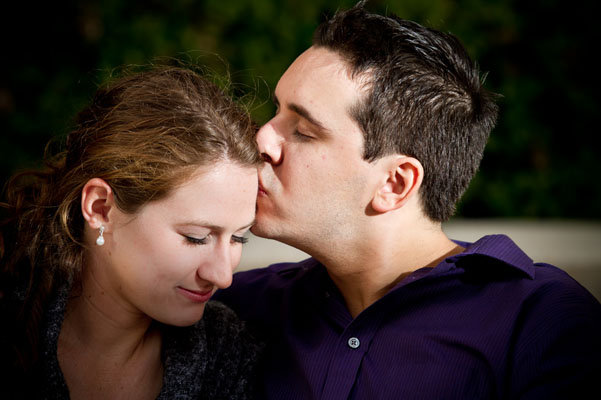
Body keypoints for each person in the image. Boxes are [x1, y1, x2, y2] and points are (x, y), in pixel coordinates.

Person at [214, 2, 601, 399]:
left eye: (304, 130)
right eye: (275, 112)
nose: (261, 139)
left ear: (394, 184)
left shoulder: (540, 321)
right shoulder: (238, 307)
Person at [0, 66, 263, 398]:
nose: (223, 276)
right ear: (100, 208)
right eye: (196, 237)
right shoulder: (12, 315)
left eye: (239, 237)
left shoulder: (230, 356)